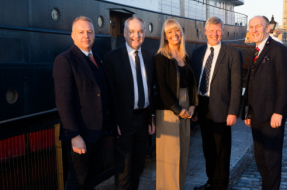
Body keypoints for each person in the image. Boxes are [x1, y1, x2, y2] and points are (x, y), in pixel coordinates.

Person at [53, 16, 118, 189]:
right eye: (81, 32)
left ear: (94, 34)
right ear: (72, 35)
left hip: (97, 133)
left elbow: (104, 91)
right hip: (81, 135)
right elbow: (63, 101)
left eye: (89, 32)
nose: (86, 36)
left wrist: (112, 123)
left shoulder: (95, 57)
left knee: (91, 177)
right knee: (77, 179)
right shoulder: (64, 60)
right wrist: (74, 136)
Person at [103, 17, 155, 190]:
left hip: (143, 121)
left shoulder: (149, 57)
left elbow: (150, 91)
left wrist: (151, 118)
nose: (136, 35)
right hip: (123, 122)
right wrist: (113, 121)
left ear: (144, 33)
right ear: (124, 33)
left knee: (138, 167)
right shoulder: (112, 58)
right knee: (123, 170)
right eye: (132, 31)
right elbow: (108, 94)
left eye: (140, 31)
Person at [242, 16, 287, 190]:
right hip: (257, 115)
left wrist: (279, 112)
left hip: (272, 116)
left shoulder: (278, 50)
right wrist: (248, 112)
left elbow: (286, 82)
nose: (254, 30)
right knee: (260, 159)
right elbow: (250, 84)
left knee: (271, 161)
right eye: (251, 27)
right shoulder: (256, 50)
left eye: (258, 26)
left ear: (267, 29)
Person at [190, 16, 242, 190]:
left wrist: (233, 111)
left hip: (222, 108)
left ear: (223, 31)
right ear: (205, 31)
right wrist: (194, 107)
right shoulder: (196, 53)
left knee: (222, 150)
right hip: (202, 106)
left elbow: (236, 85)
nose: (214, 34)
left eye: (218, 30)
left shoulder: (233, 54)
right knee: (208, 148)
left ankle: (221, 185)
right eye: (211, 30)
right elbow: (193, 82)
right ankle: (211, 181)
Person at [155, 19, 198, 190]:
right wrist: (178, 110)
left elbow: (192, 83)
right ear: (165, 36)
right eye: (170, 32)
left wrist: (193, 105)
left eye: (177, 31)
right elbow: (162, 88)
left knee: (183, 152)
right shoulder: (161, 57)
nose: (174, 35)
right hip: (169, 108)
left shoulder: (186, 56)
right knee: (170, 155)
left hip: (186, 105)